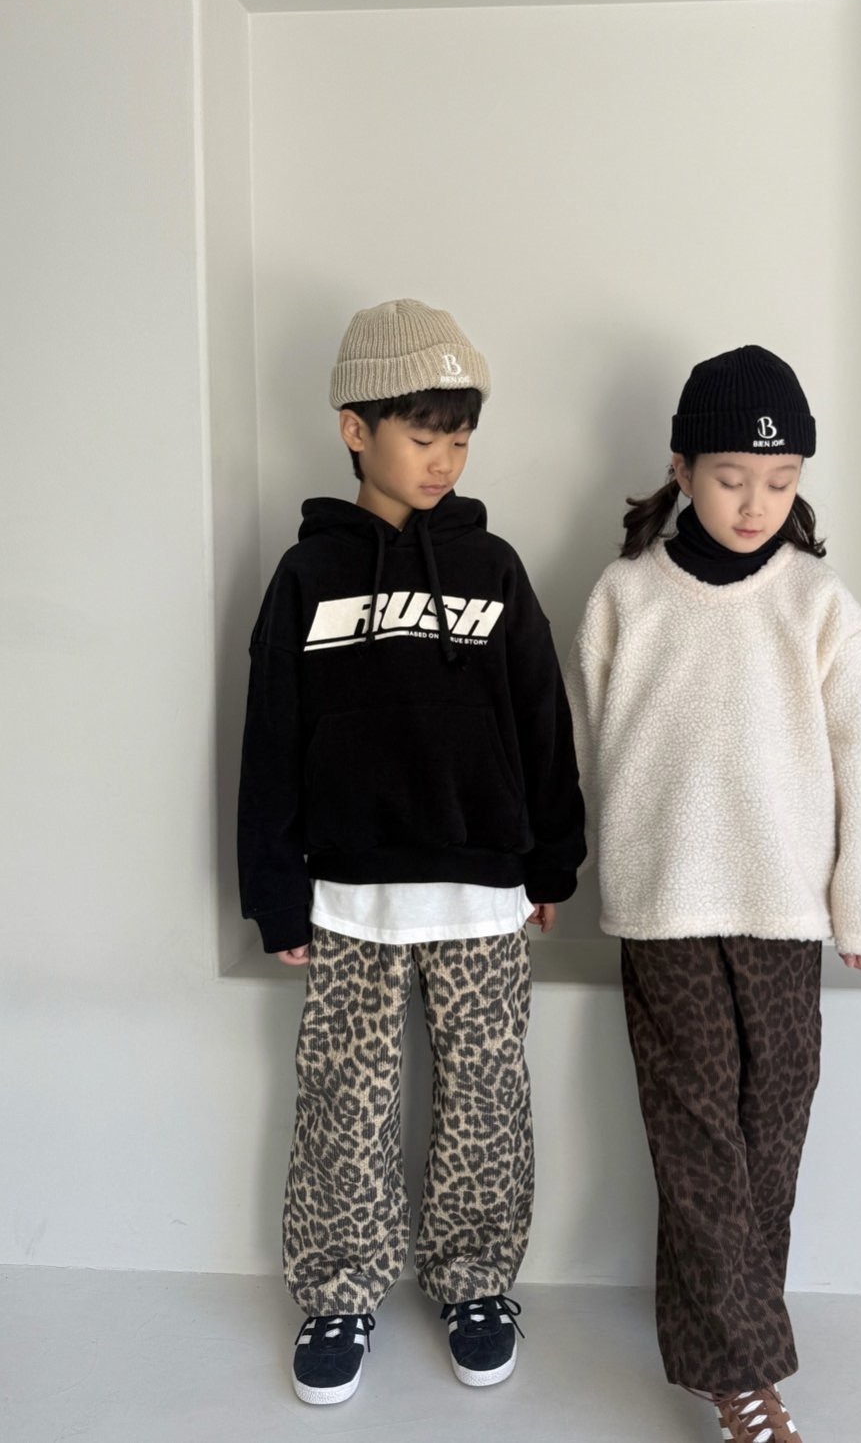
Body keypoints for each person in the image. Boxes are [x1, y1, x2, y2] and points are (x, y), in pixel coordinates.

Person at [236, 298, 585, 1406]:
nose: (444, 459)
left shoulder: (493, 569)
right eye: (422, 434)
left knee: (485, 1098)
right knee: (345, 1101)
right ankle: (339, 1290)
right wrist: (275, 891)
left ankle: (477, 1283)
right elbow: (270, 739)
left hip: (482, 894)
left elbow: (542, 720)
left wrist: (553, 861)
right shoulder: (306, 576)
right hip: (348, 899)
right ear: (355, 429)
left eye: (460, 437)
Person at [564, 343, 861, 1443]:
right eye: (730, 478)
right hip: (664, 902)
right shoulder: (625, 596)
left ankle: (727, 1339)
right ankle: (744, 1383)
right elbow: (584, 751)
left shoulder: (818, 600)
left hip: (784, 908)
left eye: (781, 480)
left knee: (772, 1131)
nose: (757, 503)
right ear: (680, 468)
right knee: (696, 1132)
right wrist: (555, 871)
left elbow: (855, 762)